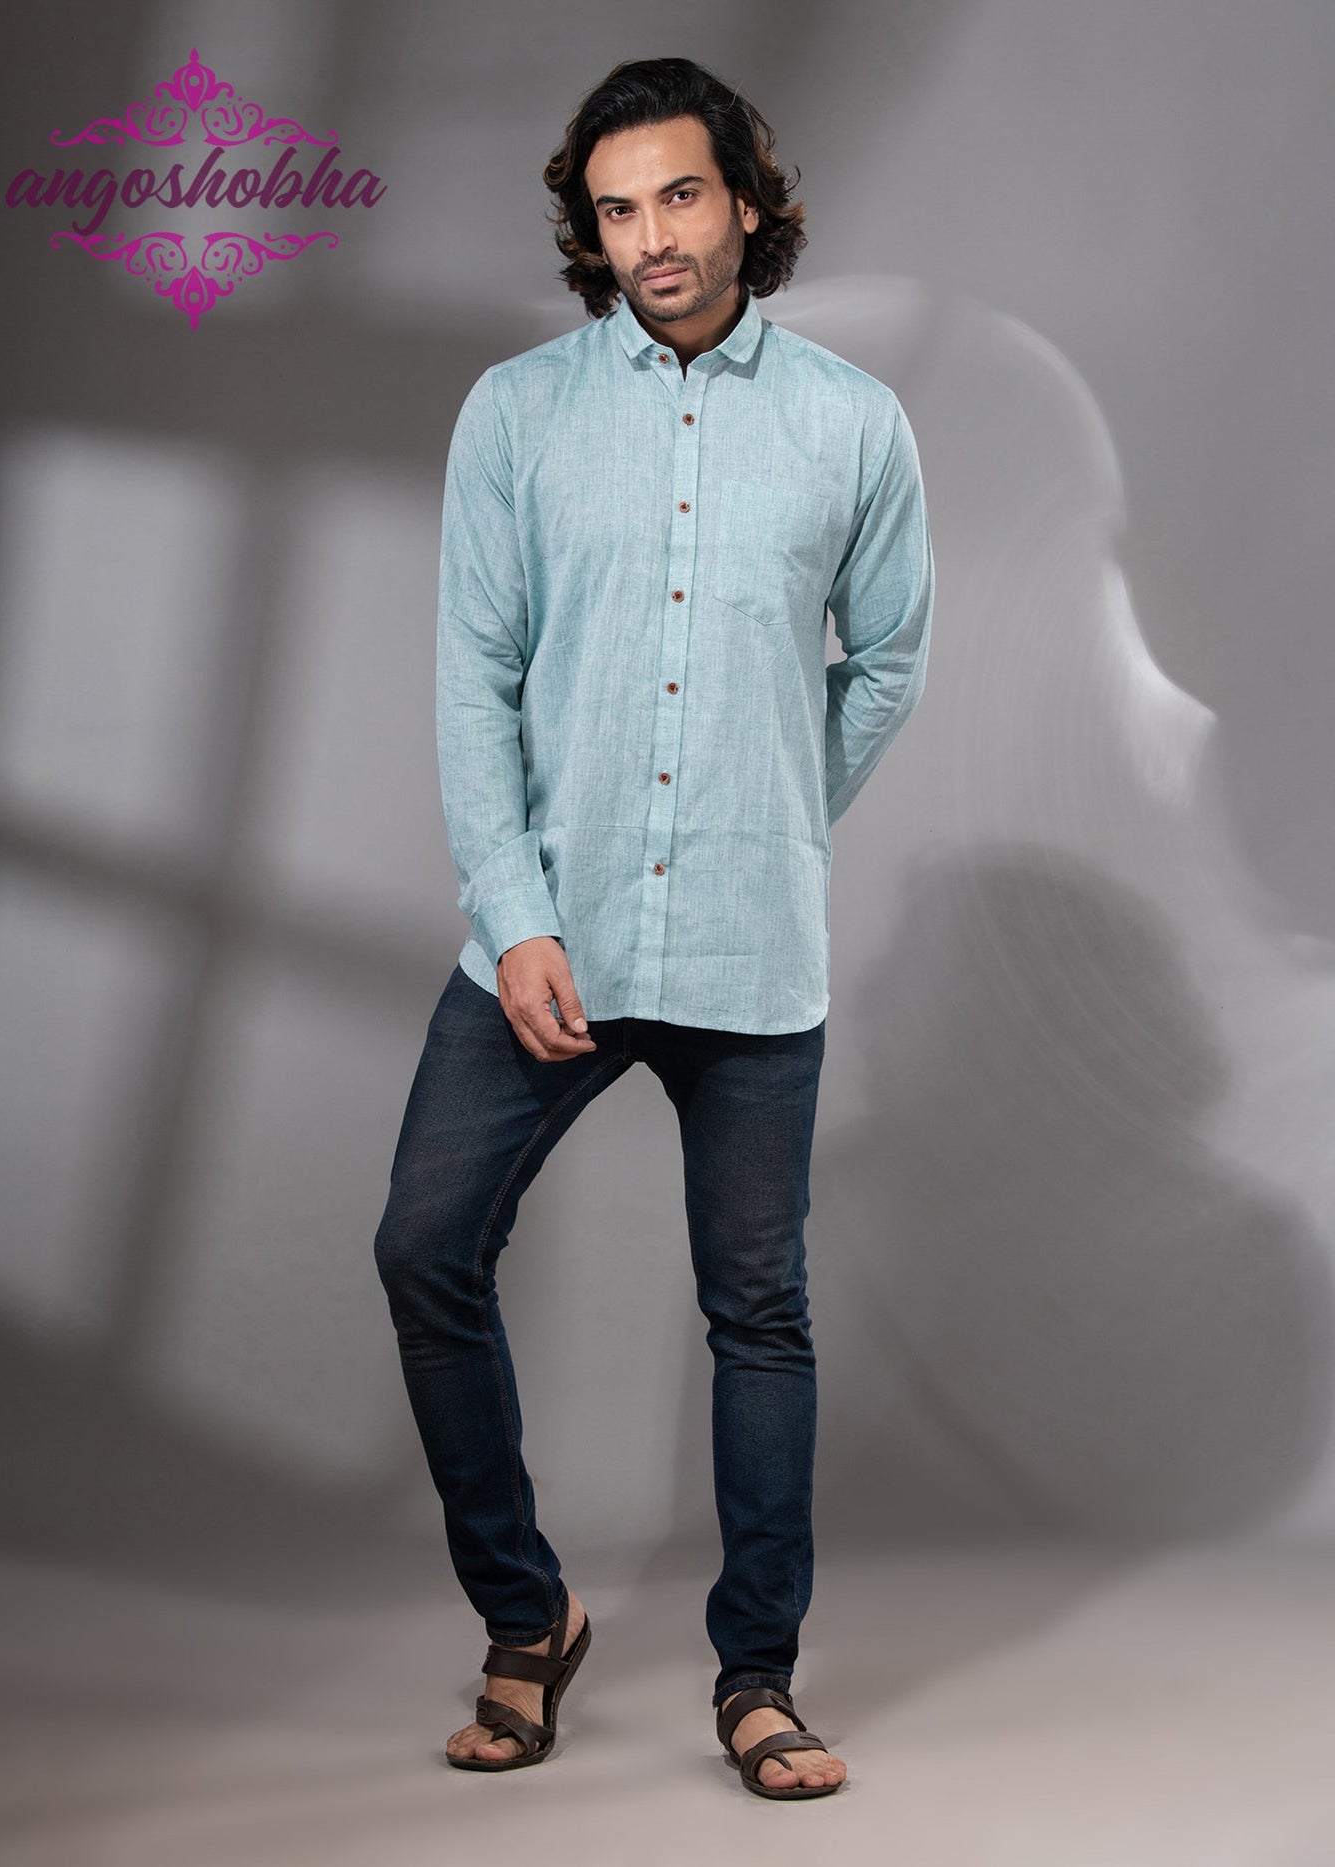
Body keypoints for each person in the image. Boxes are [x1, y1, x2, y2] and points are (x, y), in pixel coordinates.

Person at [372, 54, 934, 1801]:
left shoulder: (854, 420)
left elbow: (889, 658)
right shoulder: (517, 413)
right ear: (592, 232)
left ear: (745, 201)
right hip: (558, 934)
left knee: (759, 1312)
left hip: (754, 952)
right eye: (617, 211)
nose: (652, 239)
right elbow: (473, 677)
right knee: (424, 1248)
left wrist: (769, 819)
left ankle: (758, 1680)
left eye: (680, 195)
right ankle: (526, 1616)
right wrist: (515, 914)